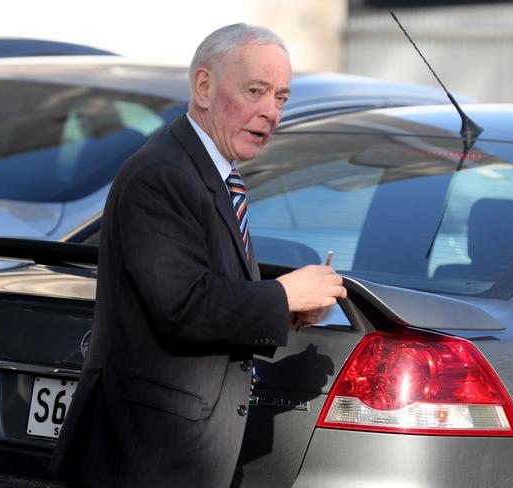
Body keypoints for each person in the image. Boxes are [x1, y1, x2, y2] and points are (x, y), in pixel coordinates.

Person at [50, 23, 347, 488]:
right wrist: (281, 295)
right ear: (204, 87)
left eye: (282, 98)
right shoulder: (162, 173)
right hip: (145, 457)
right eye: (256, 91)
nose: (270, 112)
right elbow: (181, 305)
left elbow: (201, 287)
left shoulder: (210, 170)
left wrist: (285, 310)